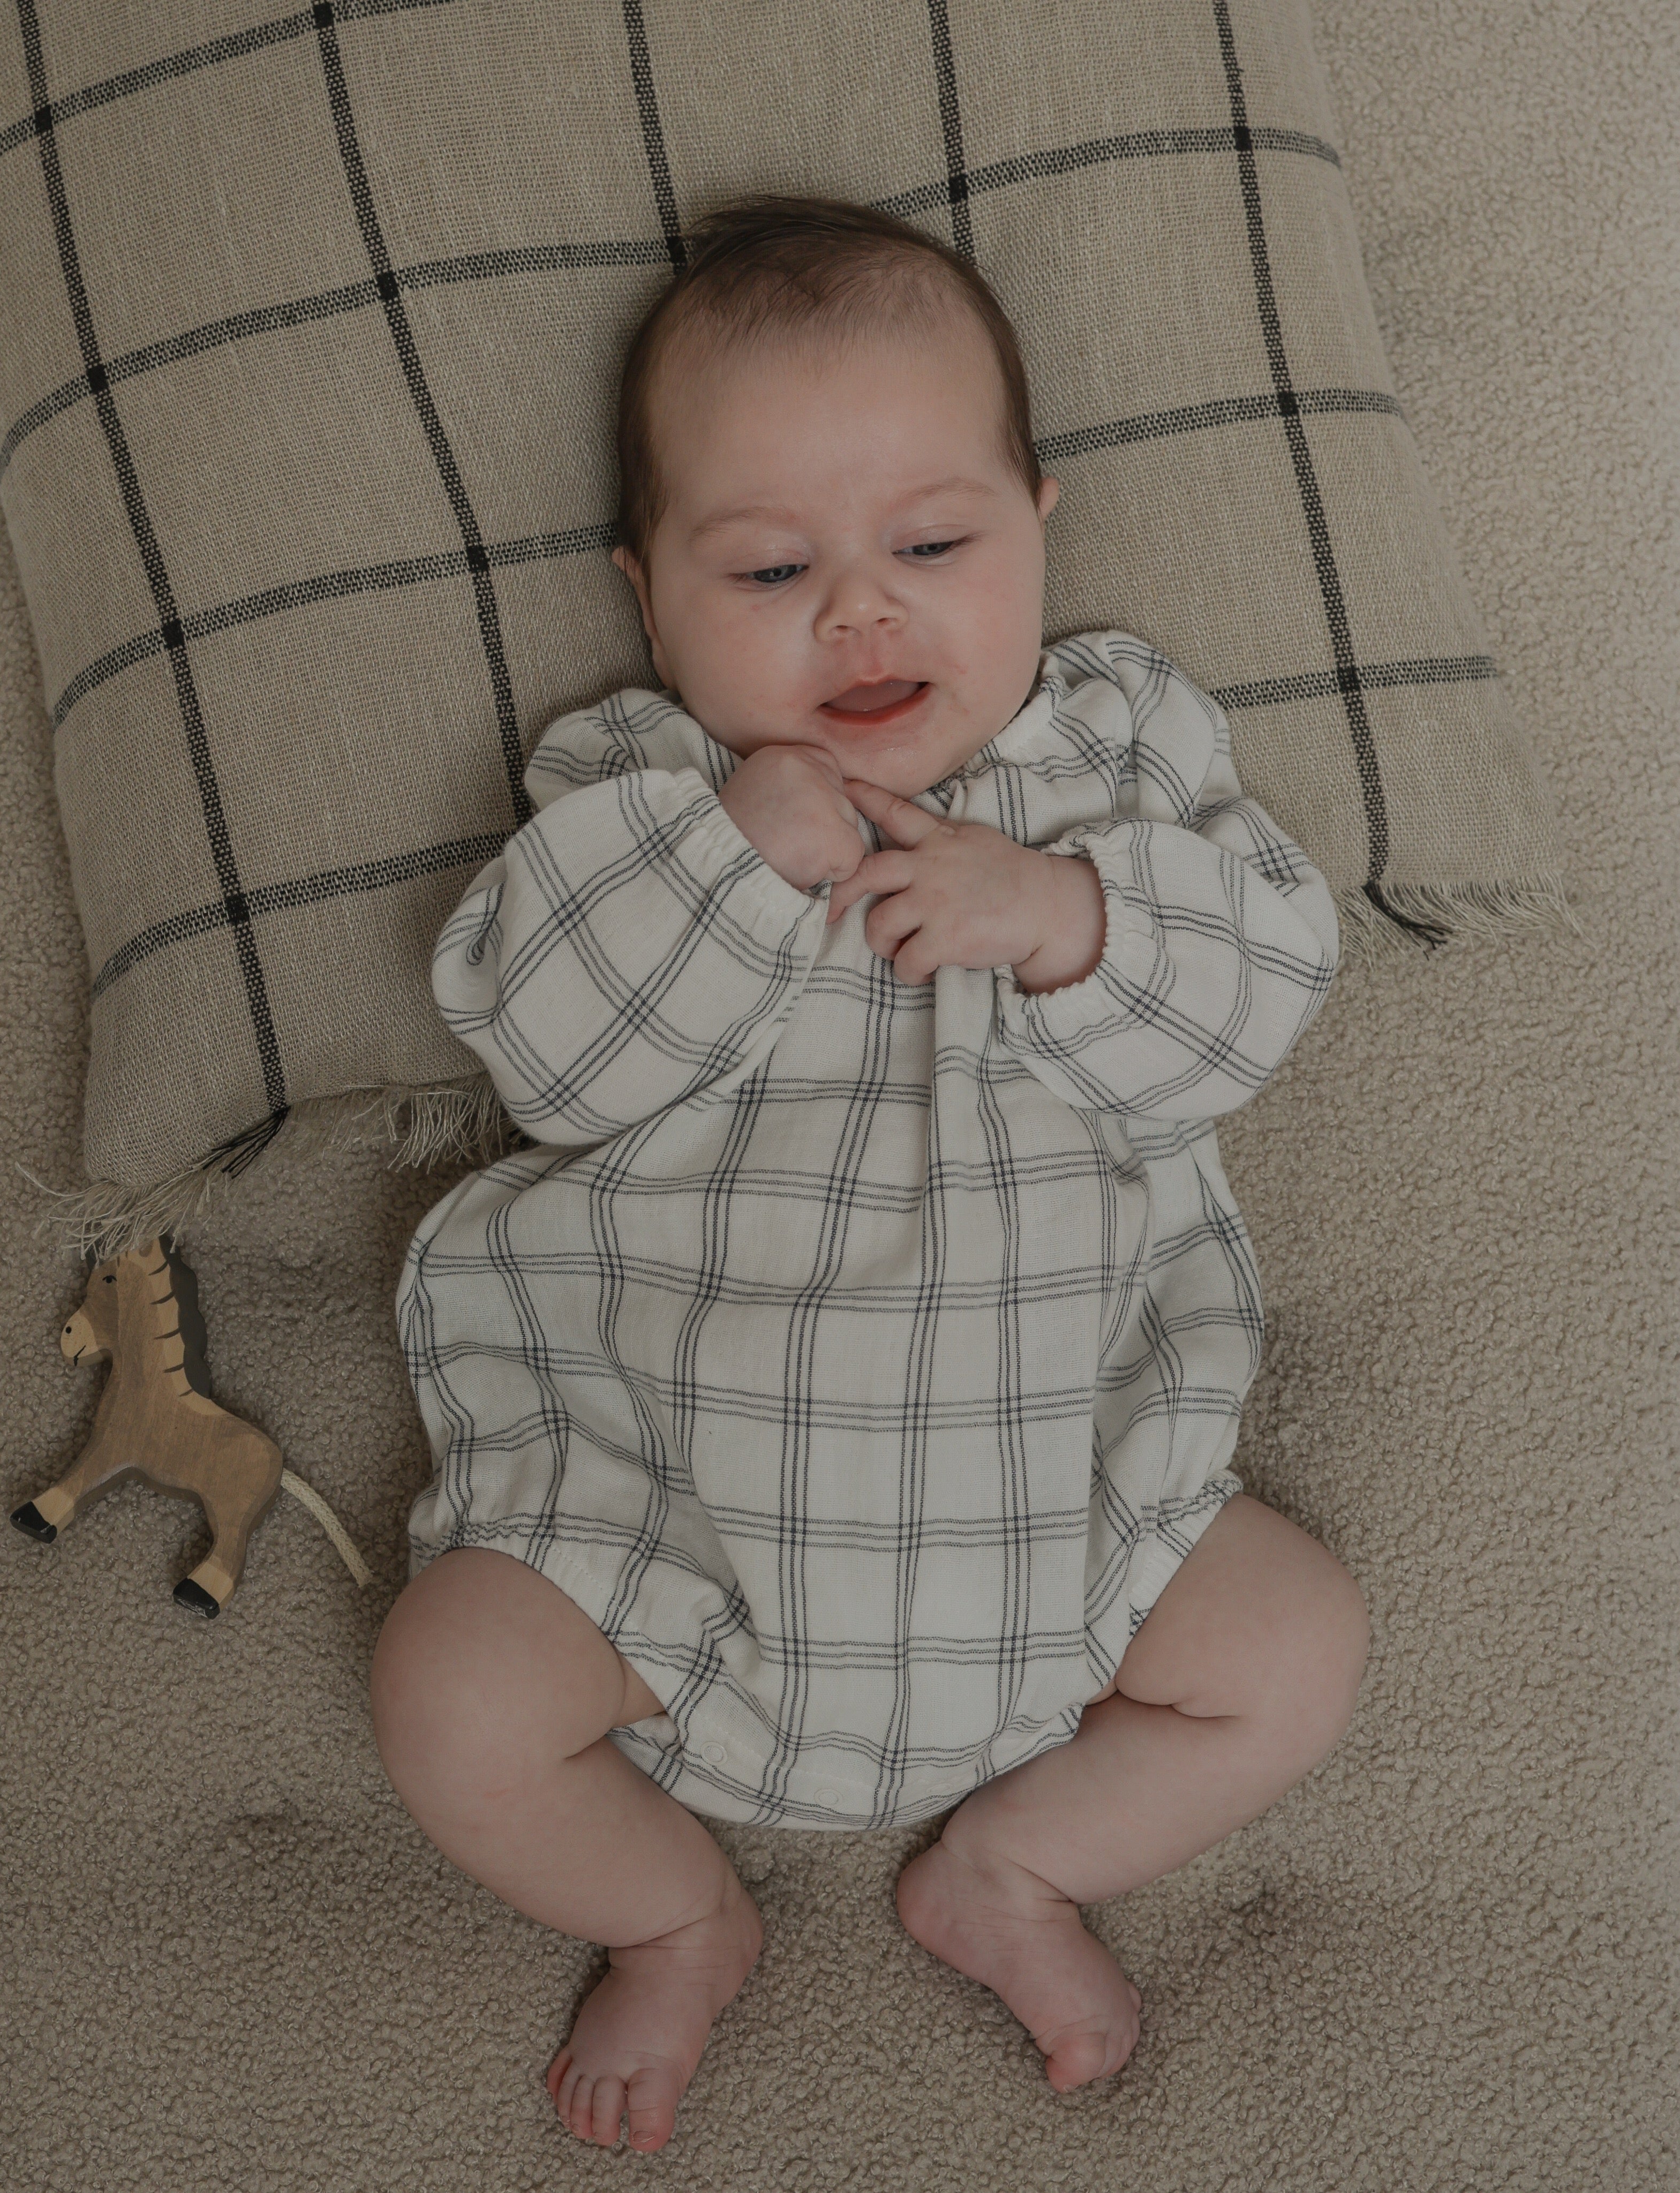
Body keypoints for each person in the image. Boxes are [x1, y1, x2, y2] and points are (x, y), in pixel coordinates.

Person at [370, 195, 1370, 2155]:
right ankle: (674, 1913)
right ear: (649, 596)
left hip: (1062, 1515)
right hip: (666, 1536)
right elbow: (547, 1049)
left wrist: (1067, 914)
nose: (861, 611)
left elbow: (1259, 993)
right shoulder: (636, 799)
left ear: (1038, 530)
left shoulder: (1112, 761)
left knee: (1296, 1649)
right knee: (448, 1701)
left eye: (931, 544)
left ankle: (1010, 1867)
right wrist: (734, 862)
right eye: (767, 565)